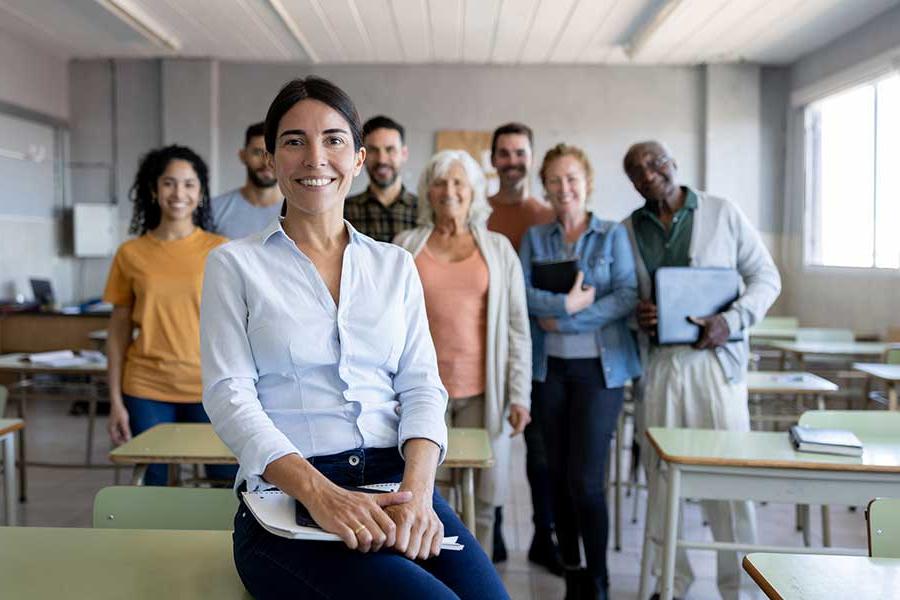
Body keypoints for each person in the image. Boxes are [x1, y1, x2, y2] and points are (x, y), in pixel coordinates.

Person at [200, 76, 509, 600]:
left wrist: (418, 494)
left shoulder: (395, 266)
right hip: (288, 499)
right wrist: (321, 494)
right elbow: (230, 396)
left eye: (334, 140)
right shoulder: (235, 265)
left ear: (359, 158)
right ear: (271, 160)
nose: (314, 158)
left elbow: (421, 387)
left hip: (397, 484)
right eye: (294, 141)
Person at [622, 141, 781, 600]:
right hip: (661, 366)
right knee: (662, 478)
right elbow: (627, 298)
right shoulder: (630, 230)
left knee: (730, 479)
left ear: (674, 164)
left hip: (716, 363)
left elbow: (766, 277)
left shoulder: (722, 212)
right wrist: (641, 314)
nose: (650, 173)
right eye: (638, 170)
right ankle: (672, 582)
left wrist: (730, 321)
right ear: (632, 183)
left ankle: (739, 588)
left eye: (657, 162)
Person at [394, 149, 532, 560]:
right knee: (422, 495)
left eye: (459, 182)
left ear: (474, 192)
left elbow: (518, 329)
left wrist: (520, 394)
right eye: (439, 182)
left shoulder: (499, 250)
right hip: (420, 395)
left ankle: (478, 573)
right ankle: (433, 577)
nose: (449, 190)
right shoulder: (406, 247)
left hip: (482, 393)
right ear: (427, 192)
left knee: (486, 497)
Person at [520, 143, 642, 600]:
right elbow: (522, 295)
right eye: (554, 180)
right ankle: (573, 576)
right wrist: (565, 302)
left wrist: (568, 317)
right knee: (555, 476)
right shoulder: (535, 238)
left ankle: (598, 579)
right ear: (545, 187)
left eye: (571, 178)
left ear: (587, 183)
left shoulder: (612, 235)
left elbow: (627, 295)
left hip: (599, 373)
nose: (563, 188)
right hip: (549, 371)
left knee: (585, 482)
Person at [104, 145, 236, 486]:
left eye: (189, 184)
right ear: (153, 189)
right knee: (153, 484)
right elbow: (117, 332)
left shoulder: (220, 249)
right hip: (146, 386)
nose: (179, 193)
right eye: (169, 183)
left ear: (201, 192)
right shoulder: (130, 253)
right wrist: (115, 401)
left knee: (225, 484)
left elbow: (238, 327)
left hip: (210, 387)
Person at [486, 121, 558, 570]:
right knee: (492, 448)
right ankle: (490, 531)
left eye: (520, 153)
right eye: (505, 153)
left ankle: (543, 536)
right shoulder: (480, 211)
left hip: (540, 351)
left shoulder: (546, 217)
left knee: (541, 453)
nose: (513, 161)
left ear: (531, 158)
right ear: (493, 160)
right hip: (492, 350)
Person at [344, 115, 417, 242]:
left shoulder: (424, 211)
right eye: (373, 150)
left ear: (404, 154)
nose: (381, 159)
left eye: (390, 150)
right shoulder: (344, 211)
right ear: (362, 156)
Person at [210, 122, 283, 239]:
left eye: (272, 153)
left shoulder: (299, 211)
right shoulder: (214, 209)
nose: (266, 162)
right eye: (257, 153)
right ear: (243, 156)